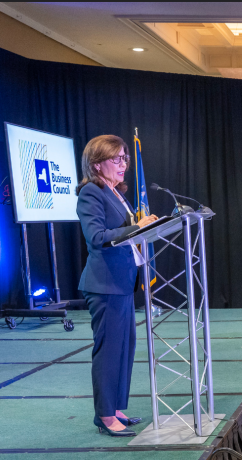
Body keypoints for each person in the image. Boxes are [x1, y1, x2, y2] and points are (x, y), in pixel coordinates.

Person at [76, 135, 158, 437]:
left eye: (125, 157)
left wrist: (143, 227)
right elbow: (97, 236)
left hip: (123, 281)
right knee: (110, 351)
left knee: (125, 349)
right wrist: (137, 227)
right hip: (105, 284)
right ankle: (105, 415)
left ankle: (117, 408)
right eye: (117, 158)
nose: (124, 164)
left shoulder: (116, 192)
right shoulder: (90, 193)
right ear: (97, 163)